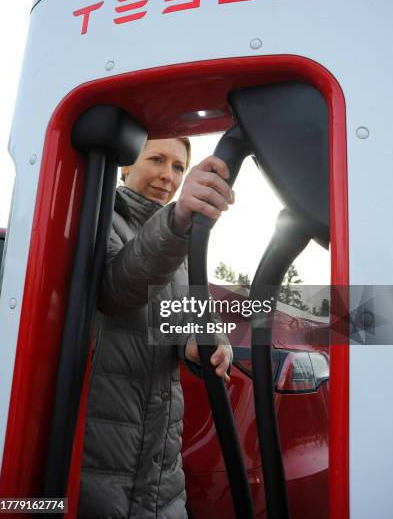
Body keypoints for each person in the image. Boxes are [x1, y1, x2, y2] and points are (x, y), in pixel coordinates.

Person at [78, 137, 234, 518]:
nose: (168, 175)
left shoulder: (177, 246)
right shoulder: (99, 218)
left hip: (161, 473)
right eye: (156, 160)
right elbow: (117, 288)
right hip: (99, 471)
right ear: (126, 166)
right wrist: (179, 219)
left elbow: (178, 319)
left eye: (178, 167)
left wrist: (203, 342)